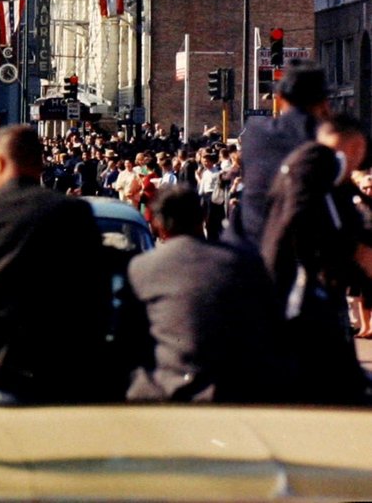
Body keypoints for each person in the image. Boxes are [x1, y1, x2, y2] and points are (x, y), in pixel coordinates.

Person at [0, 125, 108, 405]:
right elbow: (95, 294)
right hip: (56, 365)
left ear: (1, 162)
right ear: (40, 164)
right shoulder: (73, 213)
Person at [122, 186, 288, 403]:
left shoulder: (142, 267)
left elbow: (129, 338)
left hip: (164, 390)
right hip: (234, 391)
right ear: (203, 216)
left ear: (157, 223)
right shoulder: (243, 262)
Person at [260, 111, 372, 405]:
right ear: (356, 147)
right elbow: (303, 222)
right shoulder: (317, 165)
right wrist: (352, 252)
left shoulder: (307, 166)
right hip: (306, 296)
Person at [234, 60, 329, 249]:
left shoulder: (255, 132)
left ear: (279, 98)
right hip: (301, 247)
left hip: (249, 244)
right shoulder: (322, 137)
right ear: (324, 102)